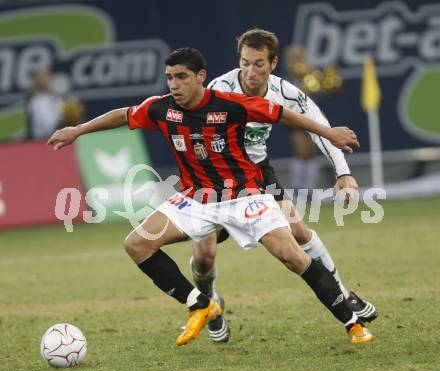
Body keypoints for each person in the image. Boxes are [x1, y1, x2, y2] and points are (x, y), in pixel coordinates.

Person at [48, 47, 373, 346]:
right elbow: (122, 115)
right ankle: (201, 305)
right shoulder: (162, 109)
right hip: (197, 200)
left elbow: (280, 114)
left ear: (200, 77)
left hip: (245, 197)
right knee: (137, 243)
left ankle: (352, 323)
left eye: (181, 77)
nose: (174, 84)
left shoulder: (229, 104)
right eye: (170, 77)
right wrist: (78, 130)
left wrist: (328, 132)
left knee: (293, 257)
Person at [191, 29, 378, 343]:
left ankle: (344, 295)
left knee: (299, 230)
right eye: (245, 63)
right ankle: (210, 303)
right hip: (216, 178)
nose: (250, 72)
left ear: (273, 63)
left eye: (259, 64)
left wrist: (343, 173)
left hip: (258, 174)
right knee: (204, 256)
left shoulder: (286, 93)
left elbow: (322, 129)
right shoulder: (219, 89)